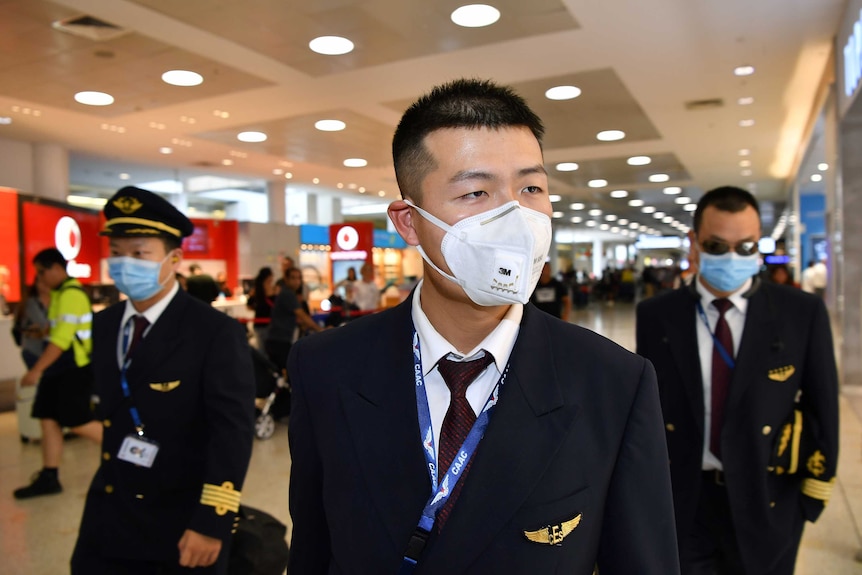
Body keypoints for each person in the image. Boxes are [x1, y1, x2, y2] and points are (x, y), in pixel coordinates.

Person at [287, 78, 679, 574]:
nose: (515, 217)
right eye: (475, 192)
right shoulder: (326, 367)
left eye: (531, 188)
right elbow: (313, 551)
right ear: (409, 222)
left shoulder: (613, 382)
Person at [636, 186, 839, 575]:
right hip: (685, 500)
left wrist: (812, 493)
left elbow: (823, 405)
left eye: (745, 247)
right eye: (717, 245)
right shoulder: (657, 314)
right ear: (694, 243)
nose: (732, 257)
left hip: (769, 498)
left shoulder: (801, 313)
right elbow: (649, 408)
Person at [71, 186, 256, 574]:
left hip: (180, 520)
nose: (125, 263)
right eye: (117, 253)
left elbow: (232, 431)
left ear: (174, 259)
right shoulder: (104, 325)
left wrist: (211, 521)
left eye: (139, 253)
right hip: (109, 512)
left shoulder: (213, 332)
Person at [13, 249, 102, 499]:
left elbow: (62, 341)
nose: (39, 278)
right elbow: (55, 332)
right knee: (48, 417)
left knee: (78, 420)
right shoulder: (60, 295)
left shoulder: (71, 295)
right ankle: (49, 476)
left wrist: (35, 370)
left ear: (56, 268)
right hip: (58, 369)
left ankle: (128, 457)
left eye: (42, 271)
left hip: (72, 368)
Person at [265, 266, 323, 370]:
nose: (297, 281)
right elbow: (302, 315)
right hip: (279, 341)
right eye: (293, 278)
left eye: (298, 278)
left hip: (279, 340)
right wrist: (320, 330)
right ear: (286, 279)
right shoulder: (288, 294)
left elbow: (300, 318)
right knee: (288, 373)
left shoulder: (288, 294)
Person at [12, 274, 52, 369]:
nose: (46, 285)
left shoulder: (56, 301)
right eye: (42, 282)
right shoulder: (31, 303)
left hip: (48, 350)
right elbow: (44, 324)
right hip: (34, 350)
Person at [248, 266, 277, 349]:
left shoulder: (256, 289)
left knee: (262, 348)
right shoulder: (273, 289)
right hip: (268, 322)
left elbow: (249, 305)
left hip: (260, 322)